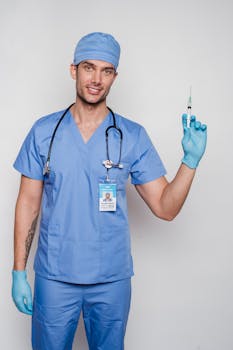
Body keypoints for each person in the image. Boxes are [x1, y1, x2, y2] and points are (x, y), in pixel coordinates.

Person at [11, 32, 207, 350]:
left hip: (111, 280)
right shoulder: (44, 132)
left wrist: (190, 161)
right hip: (55, 276)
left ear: (115, 76)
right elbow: (28, 203)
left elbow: (165, 208)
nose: (97, 79)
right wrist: (18, 270)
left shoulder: (131, 136)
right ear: (73, 70)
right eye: (89, 67)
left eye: (107, 71)